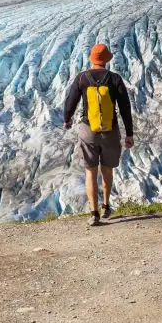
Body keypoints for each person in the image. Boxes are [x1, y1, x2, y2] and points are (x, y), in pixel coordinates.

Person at [63, 43, 135, 226]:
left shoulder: (82, 78)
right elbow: (125, 108)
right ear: (107, 60)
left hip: (88, 131)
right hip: (110, 132)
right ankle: (106, 206)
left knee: (90, 172)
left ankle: (93, 213)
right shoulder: (115, 79)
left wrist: (67, 119)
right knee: (107, 170)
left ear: (92, 59)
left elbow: (71, 101)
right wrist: (129, 133)